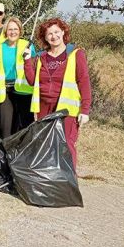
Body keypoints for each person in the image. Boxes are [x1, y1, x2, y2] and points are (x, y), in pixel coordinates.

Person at [24, 18, 92, 169]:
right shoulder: (41, 57)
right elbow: (31, 81)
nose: (53, 36)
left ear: (63, 32)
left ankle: (68, 184)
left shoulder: (75, 54)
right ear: (45, 37)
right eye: (49, 34)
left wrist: (85, 110)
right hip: (44, 109)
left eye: (56, 32)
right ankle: (49, 182)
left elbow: (84, 82)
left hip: (66, 110)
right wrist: (27, 61)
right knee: (46, 145)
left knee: (66, 145)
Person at [0, 17, 36, 137]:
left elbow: (33, 70)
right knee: (6, 125)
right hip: (5, 91)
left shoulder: (27, 45)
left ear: (20, 31)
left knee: (24, 124)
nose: (13, 32)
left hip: (23, 90)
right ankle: (7, 151)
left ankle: (24, 151)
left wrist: (28, 58)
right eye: (10, 29)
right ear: (6, 31)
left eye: (16, 29)